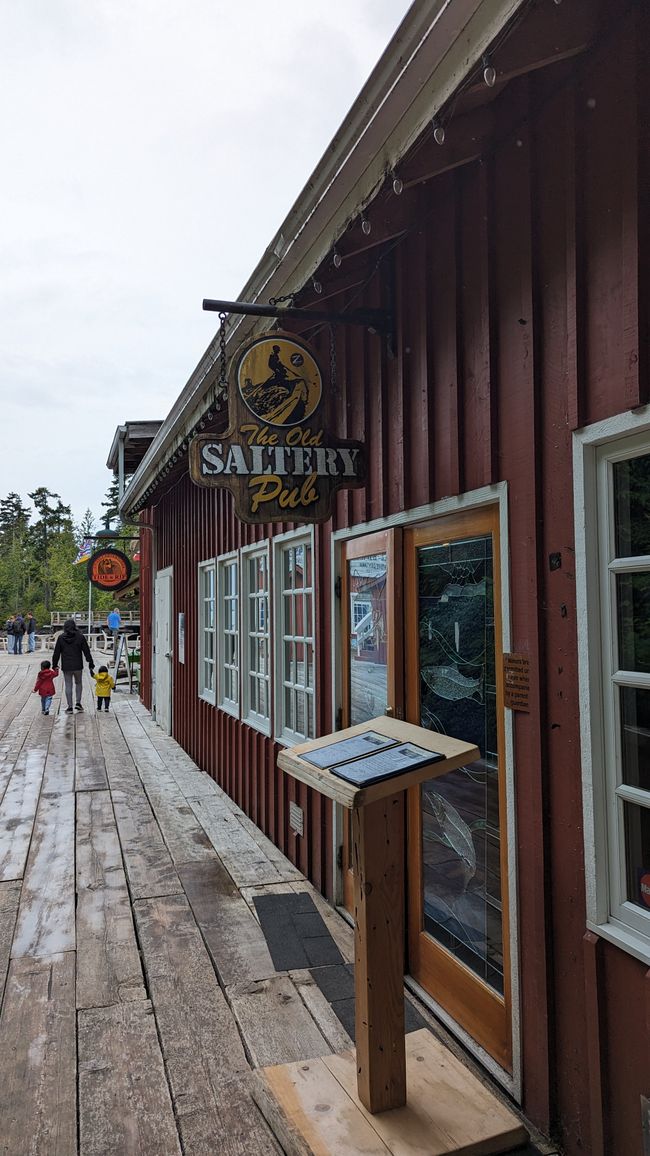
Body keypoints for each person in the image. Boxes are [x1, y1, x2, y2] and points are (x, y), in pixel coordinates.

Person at [52, 619, 94, 714]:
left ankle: (70, 707)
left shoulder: (61, 638)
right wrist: (90, 662)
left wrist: (54, 665)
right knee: (78, 683)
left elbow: (56, 653)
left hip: (66, 666)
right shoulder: (80, 637)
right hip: (78, 665)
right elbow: (86, 651)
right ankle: (78, 703)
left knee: (68, 685)